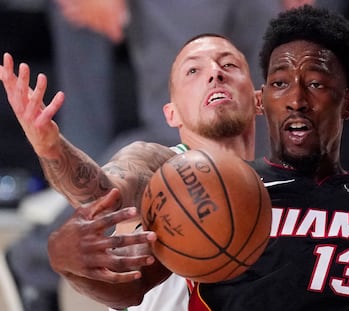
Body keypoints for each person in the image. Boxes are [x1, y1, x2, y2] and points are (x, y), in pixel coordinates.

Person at [0, 33, 261, 310]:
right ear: (171, 114)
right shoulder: (159, 166)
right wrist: (51, 147)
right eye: (193, 70)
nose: (215, 74)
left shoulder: (282, 186)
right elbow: (101, 192)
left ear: (259, 100)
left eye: (229, 65)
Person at [187, 5, 349, 310]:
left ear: (348, 103)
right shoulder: (219, 189)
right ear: (261, 100)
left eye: (316, 84)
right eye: (280, 84)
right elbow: (127, 290)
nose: (296, 100)